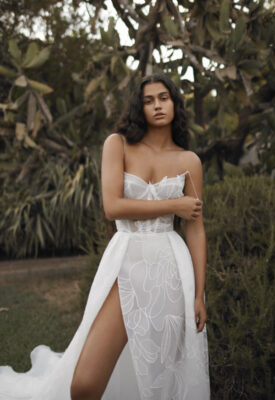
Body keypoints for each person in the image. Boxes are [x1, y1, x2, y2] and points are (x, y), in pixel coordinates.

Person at [0, 73, 210, 400]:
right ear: (138, 107)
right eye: (148, 100)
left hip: (171, 270)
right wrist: (174, 204)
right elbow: (113, 207)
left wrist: (199, 294)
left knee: (163, 375)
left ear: (174, 103)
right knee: (84, 384)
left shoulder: (189, 161)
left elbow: (196, 228)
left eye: (163, 98)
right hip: (126, 262)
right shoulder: (118, 144)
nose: (157, 105)